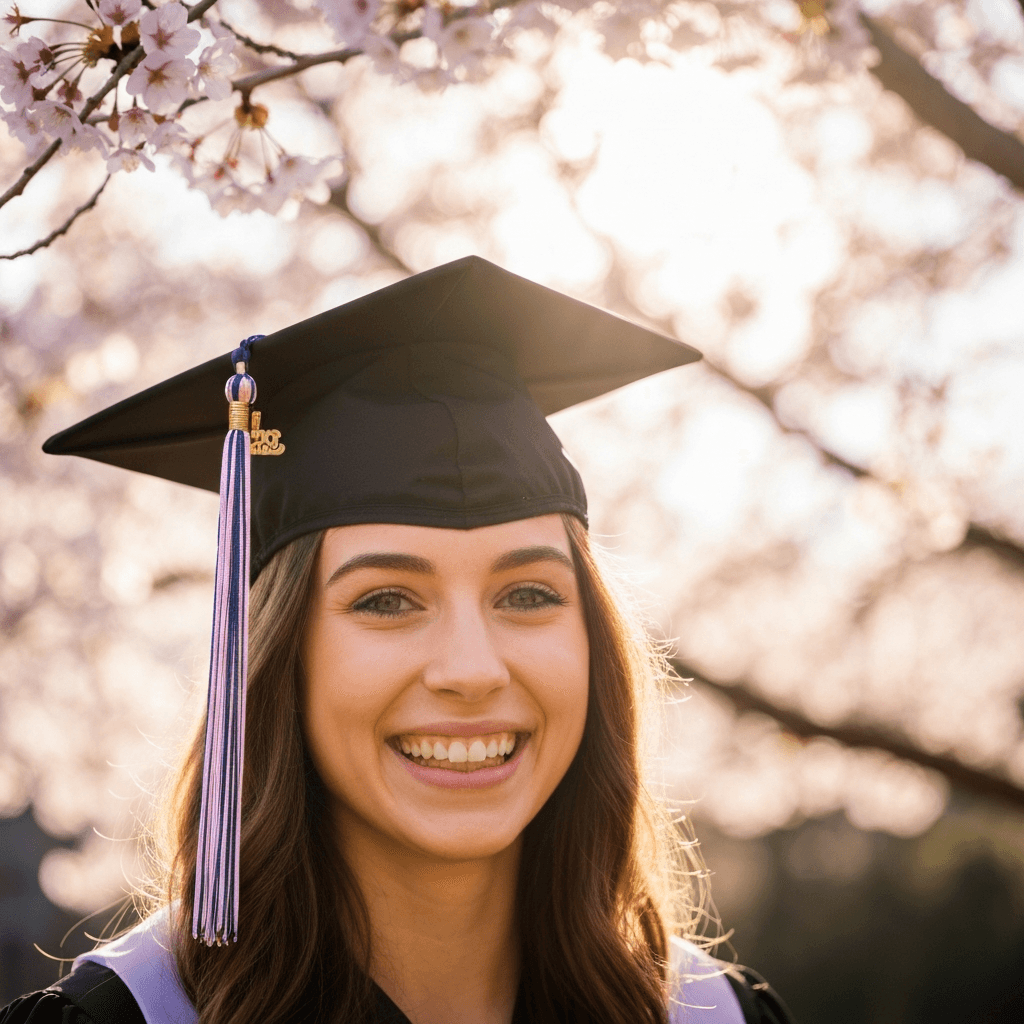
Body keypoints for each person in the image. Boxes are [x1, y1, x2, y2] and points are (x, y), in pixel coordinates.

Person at [2, 257, 796, 1024]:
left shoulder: (710, 1014)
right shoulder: (142, 1015)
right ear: (282, 660)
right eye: (386, 600)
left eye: (528, 594)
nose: (472, 669)